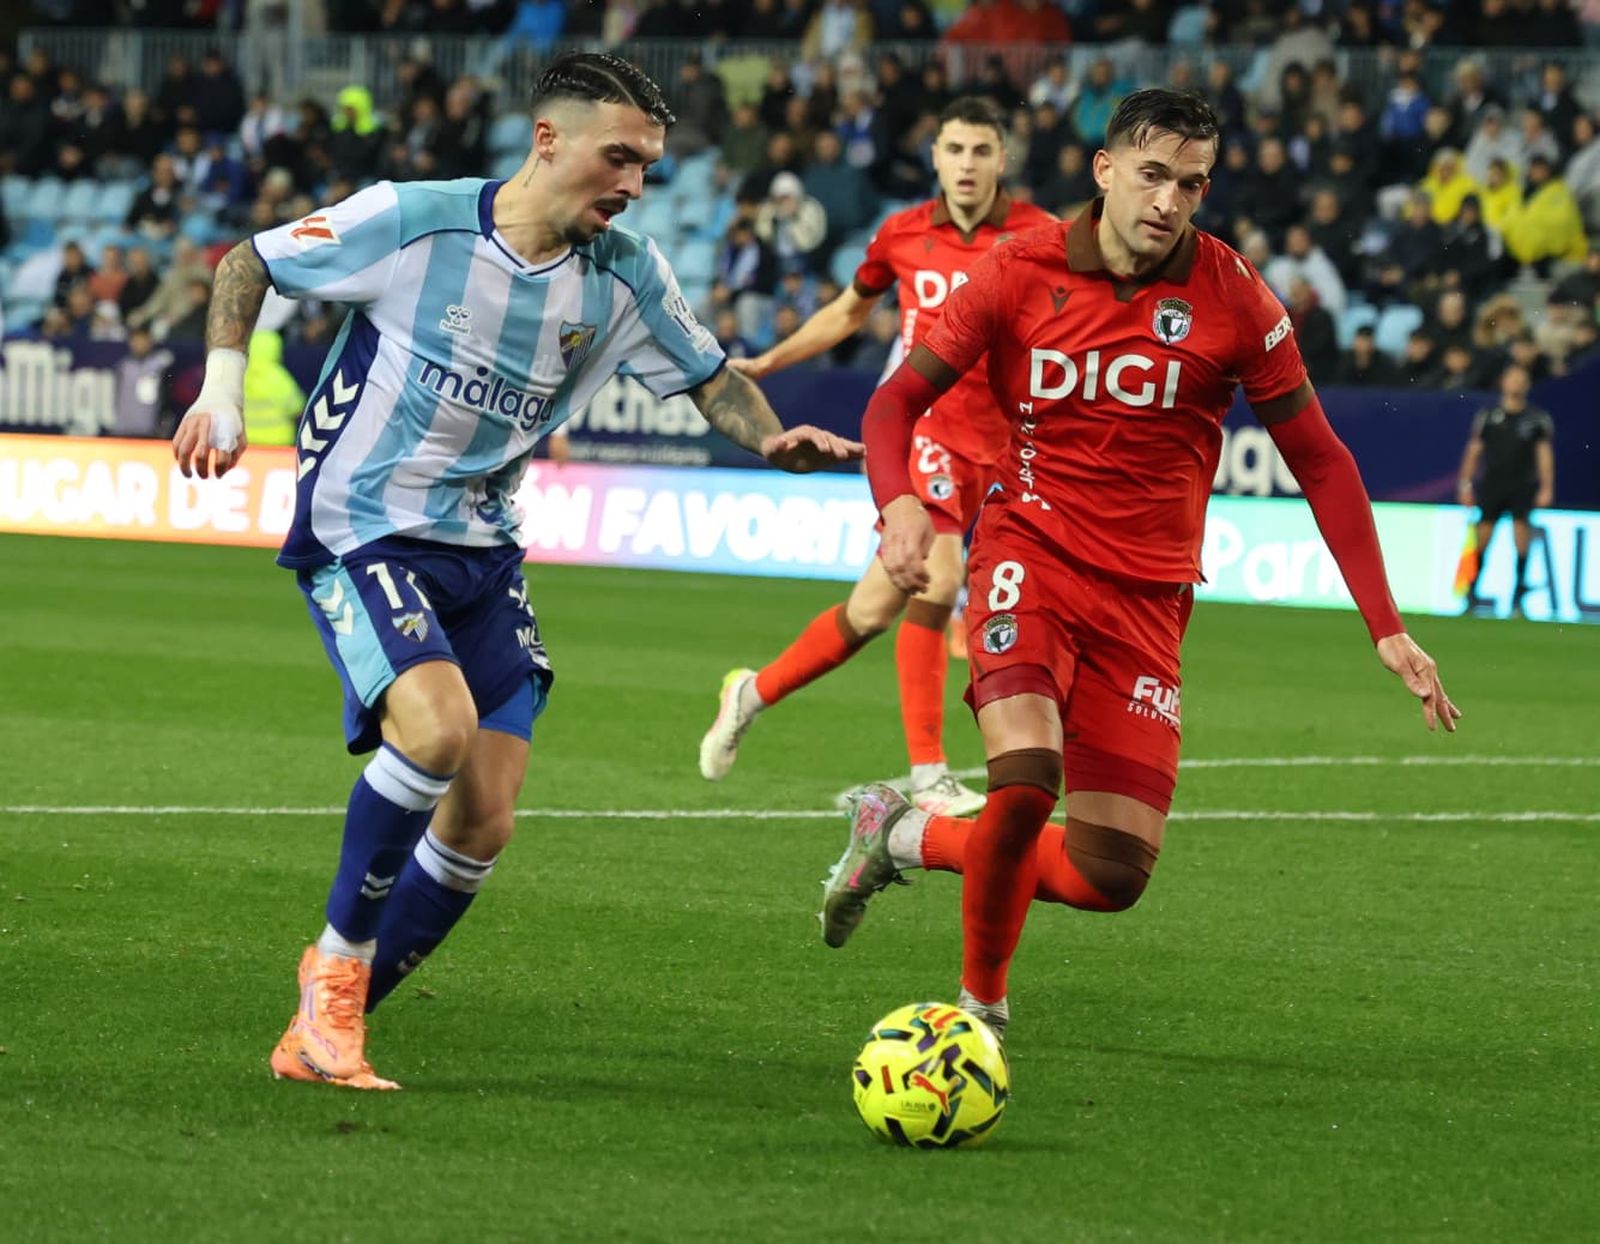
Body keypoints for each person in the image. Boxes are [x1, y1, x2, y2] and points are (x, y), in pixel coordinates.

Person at [170, 53, 859, 1091]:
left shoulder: (626, 274)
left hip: (484, 550)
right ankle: (336, 998)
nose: (633, 183)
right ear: (548, 140)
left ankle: (324, 1011)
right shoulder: (414, 219)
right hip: (365, 526)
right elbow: (246, 263)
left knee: (485, 816)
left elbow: (713, 379)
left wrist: (770, 444)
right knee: (437, 730)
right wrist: (223, 391)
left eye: (649, 166)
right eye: (618, 156)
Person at [814, 89, 1459, 1041]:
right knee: (1027, 777)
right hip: (1026, 552)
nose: (1169, 201)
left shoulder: (1236, 296)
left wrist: (1388, 625)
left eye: (1191, 184)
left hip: (1149, 598)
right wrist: (899, 501)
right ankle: (979, 1011)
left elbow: (1320, 458)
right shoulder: (1018, 269)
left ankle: (902, 834)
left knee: (1112, 875)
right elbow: (892, 406)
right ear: (1105, 170)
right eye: (1152, 175)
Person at [697, 97, 1057, 817]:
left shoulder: (1039, 236)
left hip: (999, 441)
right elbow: (848, 313)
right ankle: (929, 774)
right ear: (935, 157)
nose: (966, 165)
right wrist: (769, 360)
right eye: (954, 149)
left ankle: (752, 692)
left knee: (869, 613)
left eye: (980, 151)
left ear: (1001, 160)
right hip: (921, 429)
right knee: (937, 573)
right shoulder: (901, 235)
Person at [1456, 363, 1555, 616]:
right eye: (1512, 379)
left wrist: (1546, 486)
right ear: (1503, 382)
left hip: (1522, 485)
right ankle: (1472, 592)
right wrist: (1465, 483)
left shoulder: (1537, 419)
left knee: (1521, 538)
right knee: (1483, 537)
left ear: (1528, 385)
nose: (1517, 384)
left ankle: (1517, 597)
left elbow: (1544, 455)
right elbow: (1474, 450)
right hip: (1493, 484)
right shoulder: (1489, 416)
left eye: (1522, 379)